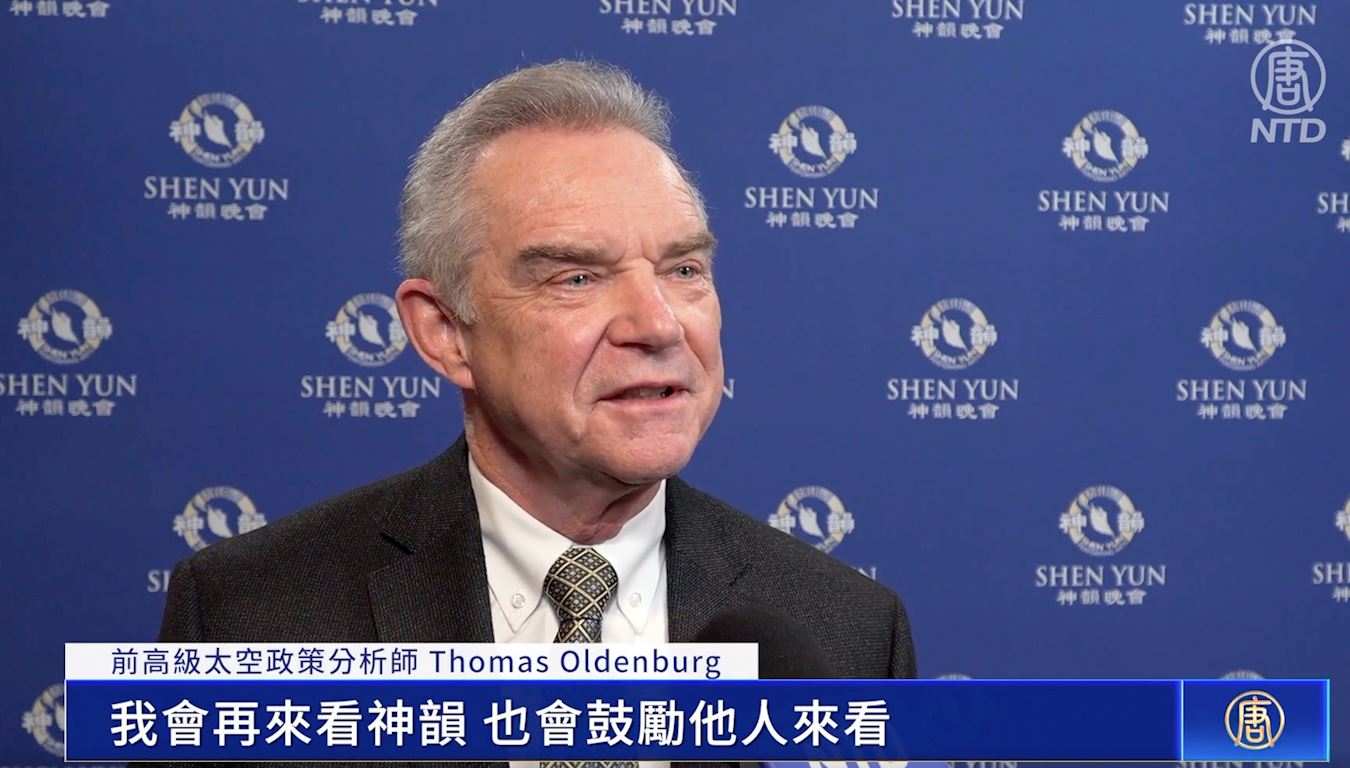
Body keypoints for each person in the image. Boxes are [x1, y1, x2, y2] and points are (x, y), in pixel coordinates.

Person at [156, 59, 914, 683]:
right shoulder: (246, 615)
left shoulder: (847, 632)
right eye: (576, 278)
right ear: (445, 332)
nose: (657, 325)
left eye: (683, 269)